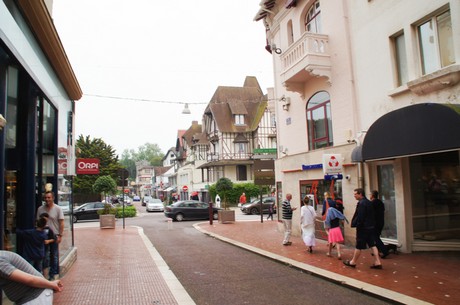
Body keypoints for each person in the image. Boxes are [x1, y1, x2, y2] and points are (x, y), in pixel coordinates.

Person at [343, 188, 382, 269]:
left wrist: (358, 225)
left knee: (359, 245)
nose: (354, 196)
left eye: (355, 194)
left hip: (363, 228)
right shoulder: (369, 202)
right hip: (370, 227)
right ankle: (378, 262)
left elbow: (360, 217)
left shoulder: (362, 203)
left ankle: (353, 262)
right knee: (372, 244)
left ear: (360, 194)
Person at [36, 191, 64, 280]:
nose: (47, 199)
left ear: (53, 198)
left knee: (54, 255)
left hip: (54, 235)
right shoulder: (40, 209)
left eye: (49, 197)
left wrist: (60, 235)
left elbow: (61, 222)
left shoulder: (58, 209)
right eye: (46, 198)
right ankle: (44, 275)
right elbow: (37, 222)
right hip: (43, 235)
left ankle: (53, 275)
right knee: (44, 255)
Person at [370, 190, 389, 258]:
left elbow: (371, 213)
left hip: (375, 223)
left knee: (375, 238)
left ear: (372, 195)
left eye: (370, 194)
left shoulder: (372, 203)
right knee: (376, 236)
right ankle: (377, 251)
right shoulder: (380, 202)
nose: (369, 196)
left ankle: (384, 251)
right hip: (381, 222)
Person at [39, 213, 56, 280]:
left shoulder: (48, 229)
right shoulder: (37, 229)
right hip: (39, 249)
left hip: (45, 249)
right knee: (39, 263)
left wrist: (48, 241)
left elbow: (54, 239)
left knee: (45, 263)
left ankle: (46, 278)